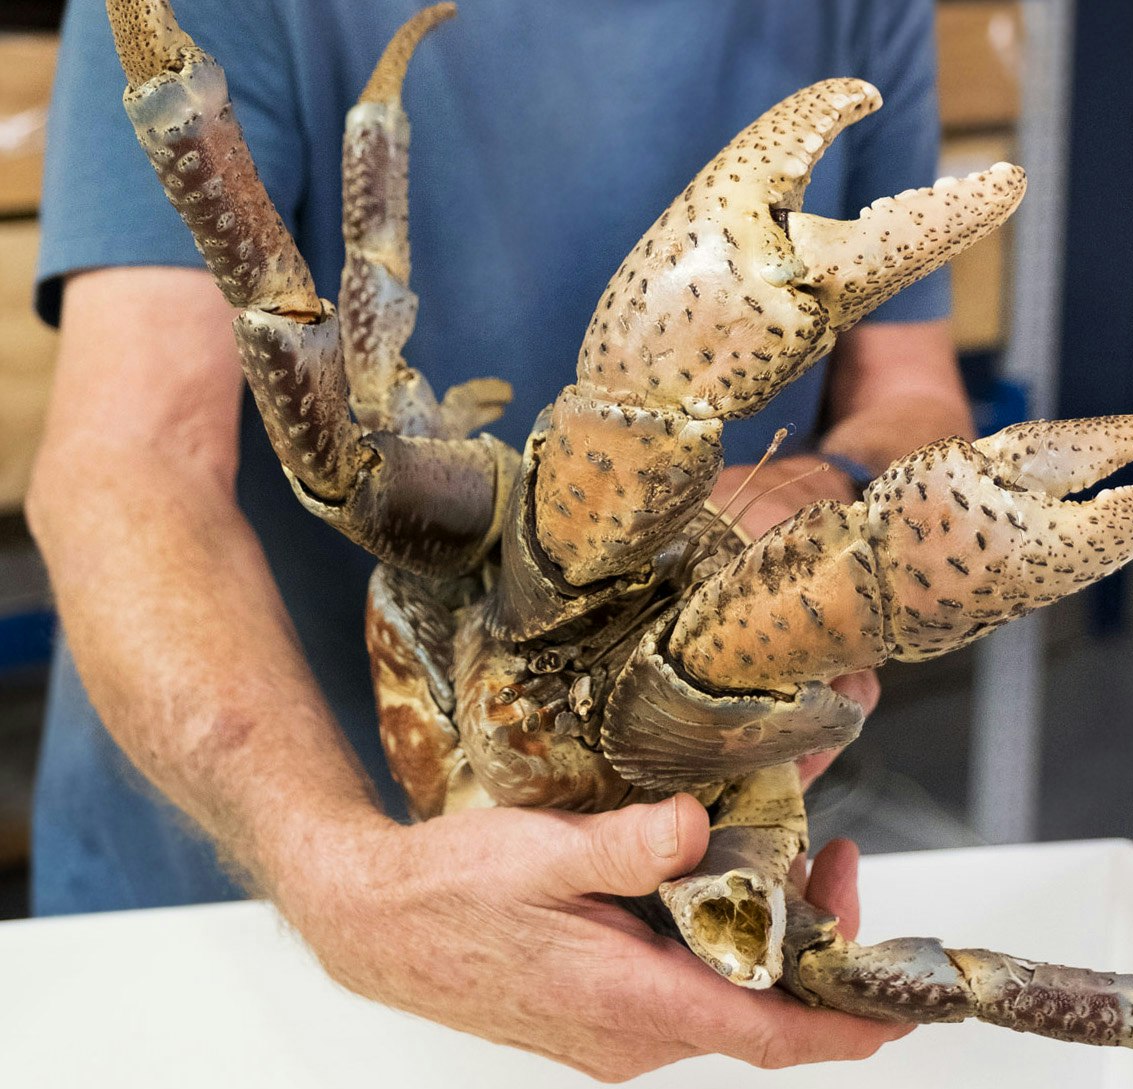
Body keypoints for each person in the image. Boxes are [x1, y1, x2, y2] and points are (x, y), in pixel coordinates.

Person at [25, 0, 974, 1078]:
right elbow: (127, 458)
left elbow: (912, 396)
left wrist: (799, 502)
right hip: (229, 894)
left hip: (648, 874)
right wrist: (331, 863)